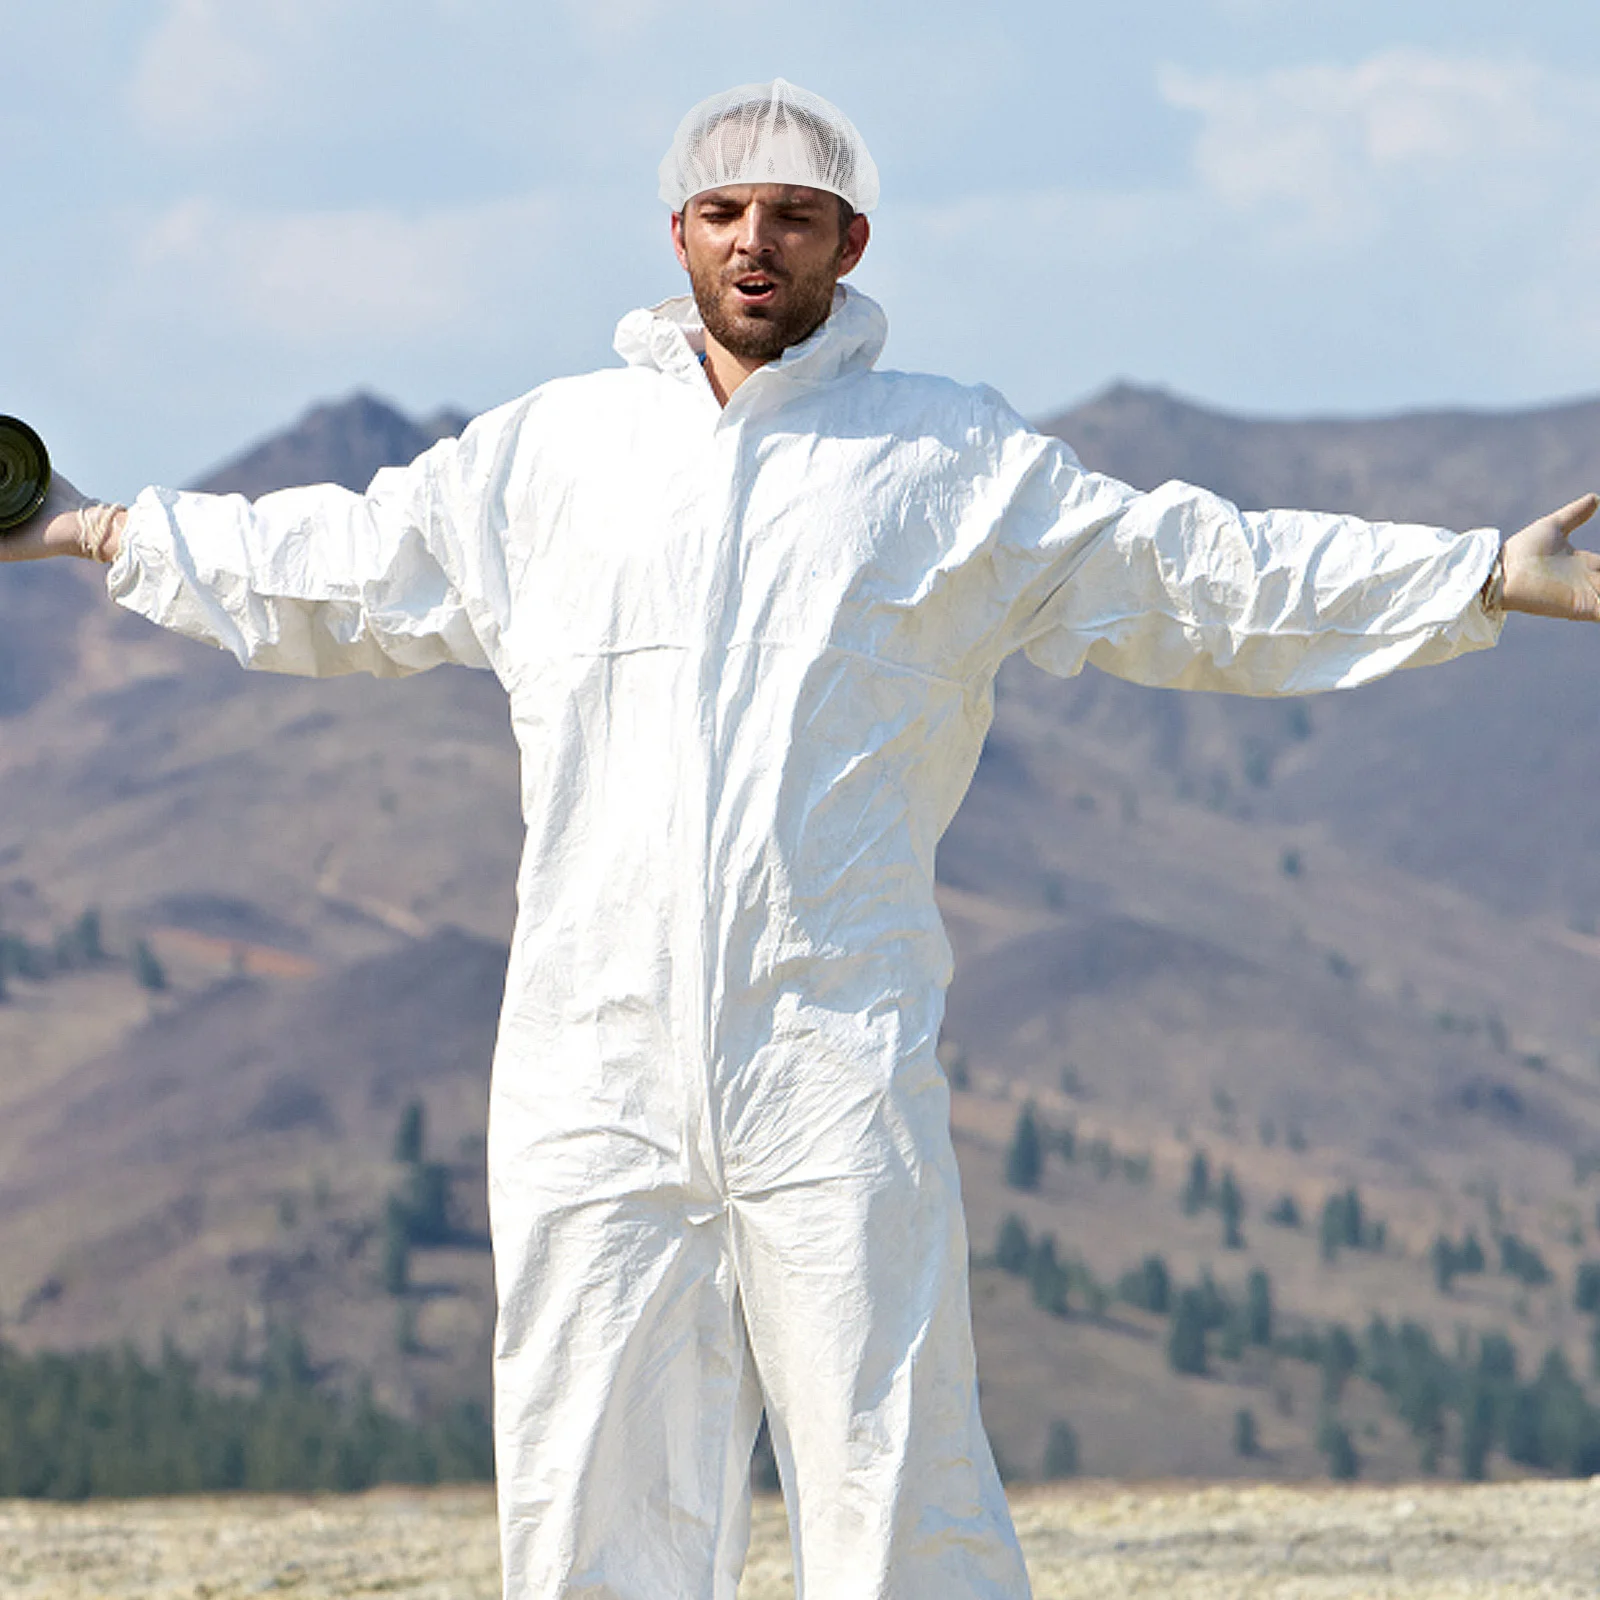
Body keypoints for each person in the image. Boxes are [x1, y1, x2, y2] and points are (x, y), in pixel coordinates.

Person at [7, 76, 1600, 1600]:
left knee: (890, 1464)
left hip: (831, 1047)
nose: (753, 240)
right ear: (676, 234)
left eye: (793, 212)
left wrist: (1478, 577)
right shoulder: (549, 455)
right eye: (721, 210)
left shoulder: (946, 460)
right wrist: (94, 528)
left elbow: (1195, 572)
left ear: (852, 243)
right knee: (586, 1479)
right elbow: (337, 563)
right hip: (588, 1058)